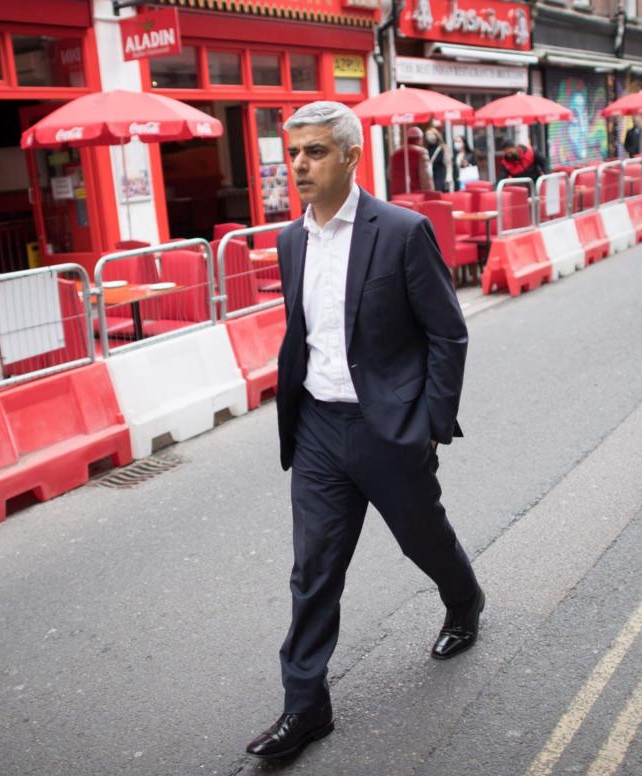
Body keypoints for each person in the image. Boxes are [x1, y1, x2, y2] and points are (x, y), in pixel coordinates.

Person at [245, 100, 484, 761]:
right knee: (314, 570)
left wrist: (432, 423)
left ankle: (464, 601)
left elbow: (447, 330)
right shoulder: (290, 239)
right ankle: (306, 707)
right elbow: (309, 333)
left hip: (389, 428)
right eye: (293, 152)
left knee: (422, 540)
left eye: (315, 151)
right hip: (320, 427)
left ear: (350, 156)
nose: (299, 164)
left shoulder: (402, 231)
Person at [388, 125, 433, 195]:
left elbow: (389, 174)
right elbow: (425, 177)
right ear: (419, 139)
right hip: (415, 194)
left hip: (397, 194)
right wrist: (430, 193)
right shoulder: (421, 153)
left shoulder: (395, 153)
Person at [423, 118, 449, 192]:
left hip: (440, 174)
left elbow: (448, 163)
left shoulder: (442, 147)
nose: (429, 136)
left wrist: (448, 175)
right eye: (427, 135)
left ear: (436, 135)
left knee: (439, 191)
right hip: (430, 175)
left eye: (431, 134)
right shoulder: (425, 148)